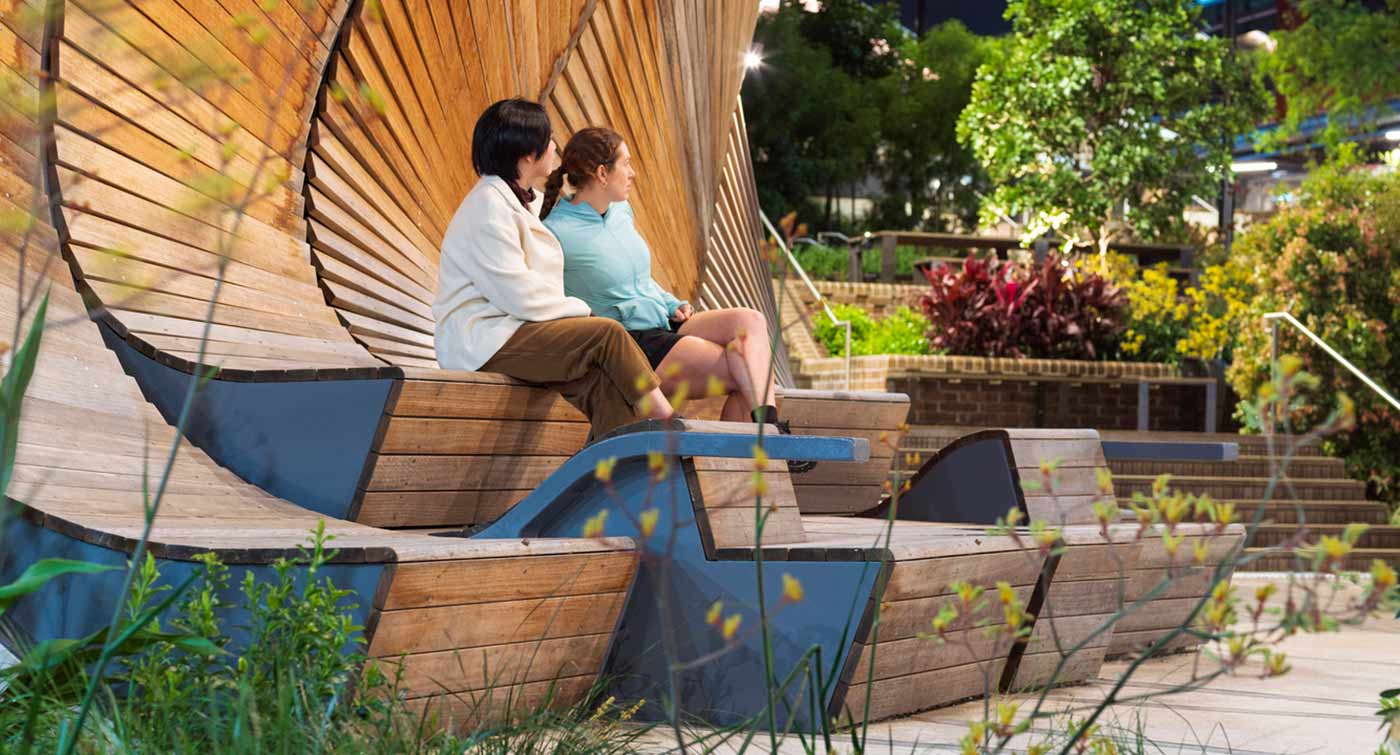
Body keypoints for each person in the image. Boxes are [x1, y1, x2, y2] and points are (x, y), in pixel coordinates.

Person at [540, 127, 815, 472]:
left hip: (664, 321)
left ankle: (770, 432)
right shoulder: (556, 233)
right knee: (742, 370)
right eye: (626, 164)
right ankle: (748, 458)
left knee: (751, 321)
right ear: (601, 173)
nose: (633, 173)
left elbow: (640, 279)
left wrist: (671, 303)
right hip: (630, 344)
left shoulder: (621, 213)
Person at [432, 100, 676, 440]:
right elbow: (517, 294)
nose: (554, 147)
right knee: (607, 334)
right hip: (484, 340)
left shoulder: (518, 201)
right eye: (547, 140)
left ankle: (613, 483)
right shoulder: (488, 207)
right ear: (527, 154)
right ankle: (664, 416)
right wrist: (582, 312)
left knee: (603, 387)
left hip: (510, 331)